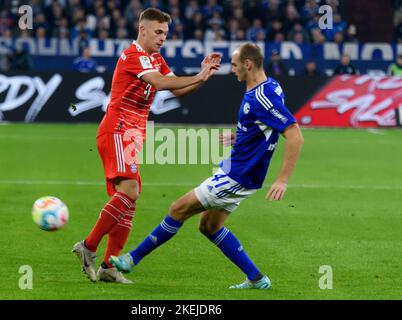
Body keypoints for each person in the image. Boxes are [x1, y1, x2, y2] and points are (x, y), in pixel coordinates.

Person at [109, 43, 304, 289]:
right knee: (209, 226)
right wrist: (240, 136)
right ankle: (257, 279)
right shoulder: (270, 87)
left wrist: (282, 179)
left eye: (234, 65)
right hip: (239, 171)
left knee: (177, 208)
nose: (231, 70)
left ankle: (131, 259)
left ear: (248, 64)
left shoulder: (262, 97)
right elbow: (264, 127)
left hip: (237, 175)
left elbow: (294, 134)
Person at [72, 8, 221, 284]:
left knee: (130, 200)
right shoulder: (134, 56)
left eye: (165, 33)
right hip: (117, 129)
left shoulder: (155, 58)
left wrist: (204, 75)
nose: (163, 37)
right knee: (129, 191)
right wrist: (199, 76)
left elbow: (177, 90)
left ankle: (108, 266)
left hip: (131, 135)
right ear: (142, 30)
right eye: (158, 32)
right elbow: (161, 83)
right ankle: (88, 247)